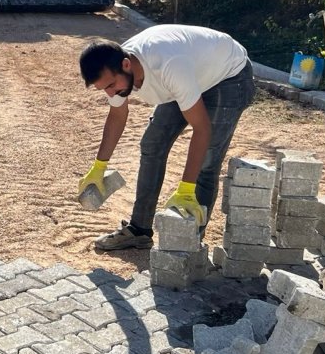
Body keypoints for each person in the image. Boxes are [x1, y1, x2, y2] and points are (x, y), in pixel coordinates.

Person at [78, 24, 256, 250]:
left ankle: (187, 244)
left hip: (228, 76)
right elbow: (117, 115)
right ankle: (139, 230)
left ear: (126, 64)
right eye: (104, 89)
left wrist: (186, 189)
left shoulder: (168, 65)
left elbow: (201, 129)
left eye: (112, 86)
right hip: (190, 75)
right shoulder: (118, 71)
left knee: (207, 162)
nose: (111, 94)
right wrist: (99, 167)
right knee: (152, 144)